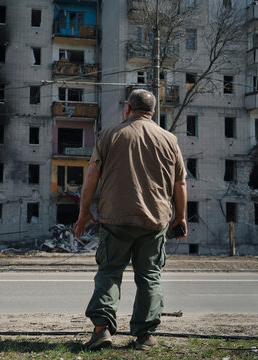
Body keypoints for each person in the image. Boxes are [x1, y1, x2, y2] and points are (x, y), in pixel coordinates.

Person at [73, 89, 187, 350]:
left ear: (127, 109)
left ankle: (102, 330)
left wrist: (84, 211)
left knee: (109, 272)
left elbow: (92, 175)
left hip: (115, 219)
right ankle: (145, 336)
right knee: (149, 276)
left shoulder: (110, 135)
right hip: (154, 220)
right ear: (153, 112)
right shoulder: (169, 139)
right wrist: (180, 217)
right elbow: (180, 183)